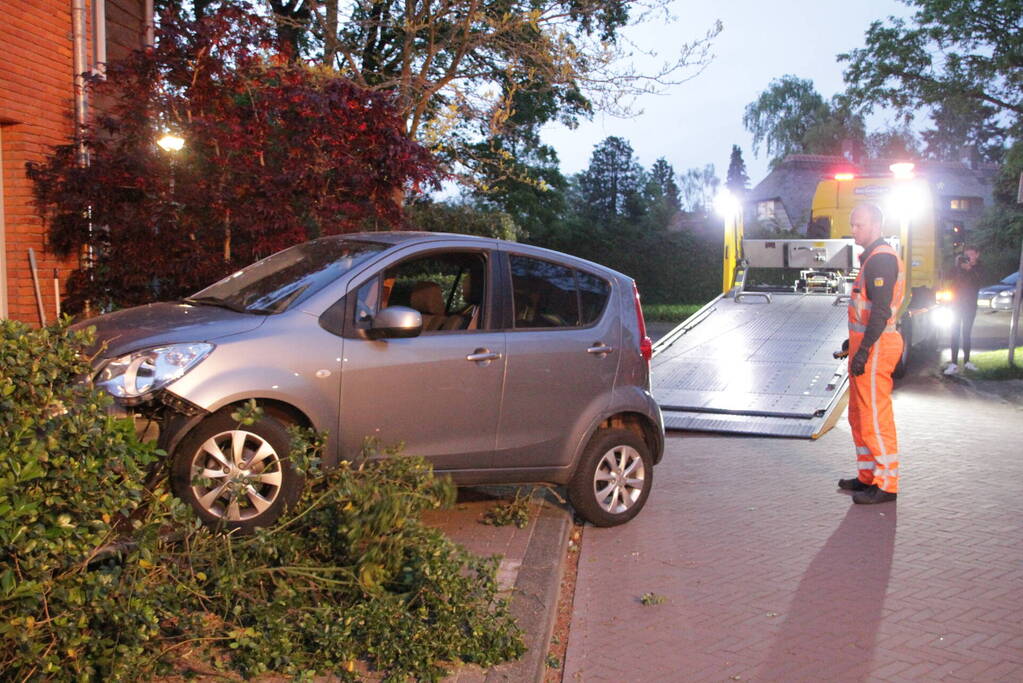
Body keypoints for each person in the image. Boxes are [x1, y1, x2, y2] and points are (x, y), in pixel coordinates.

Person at [837, 203, 905, 505]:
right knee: (860, 416)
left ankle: (886, 484)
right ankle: (868, 477)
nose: (853, 231)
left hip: (877, 350)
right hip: (869, 348)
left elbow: (880, 311)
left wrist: (863, 351)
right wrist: (852, 344)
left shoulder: (881, 260)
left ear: (876, 226)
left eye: (859, 225)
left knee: (875, 417)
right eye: (852, 225)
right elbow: (866, 315)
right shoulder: (873, 260)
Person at [944, 247, 984, 375]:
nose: (968, 257)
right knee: (954, 333)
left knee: (966, 333)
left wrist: (970, 269)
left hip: (970, 306)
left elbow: (979, 281)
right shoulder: (959, 267)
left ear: (977, 255)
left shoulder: (979, 268)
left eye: (971, 254)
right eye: (966, 255)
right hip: (956, 305)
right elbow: (947, 276)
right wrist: (957, 266)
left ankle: (967, 361)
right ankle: (954, 364)